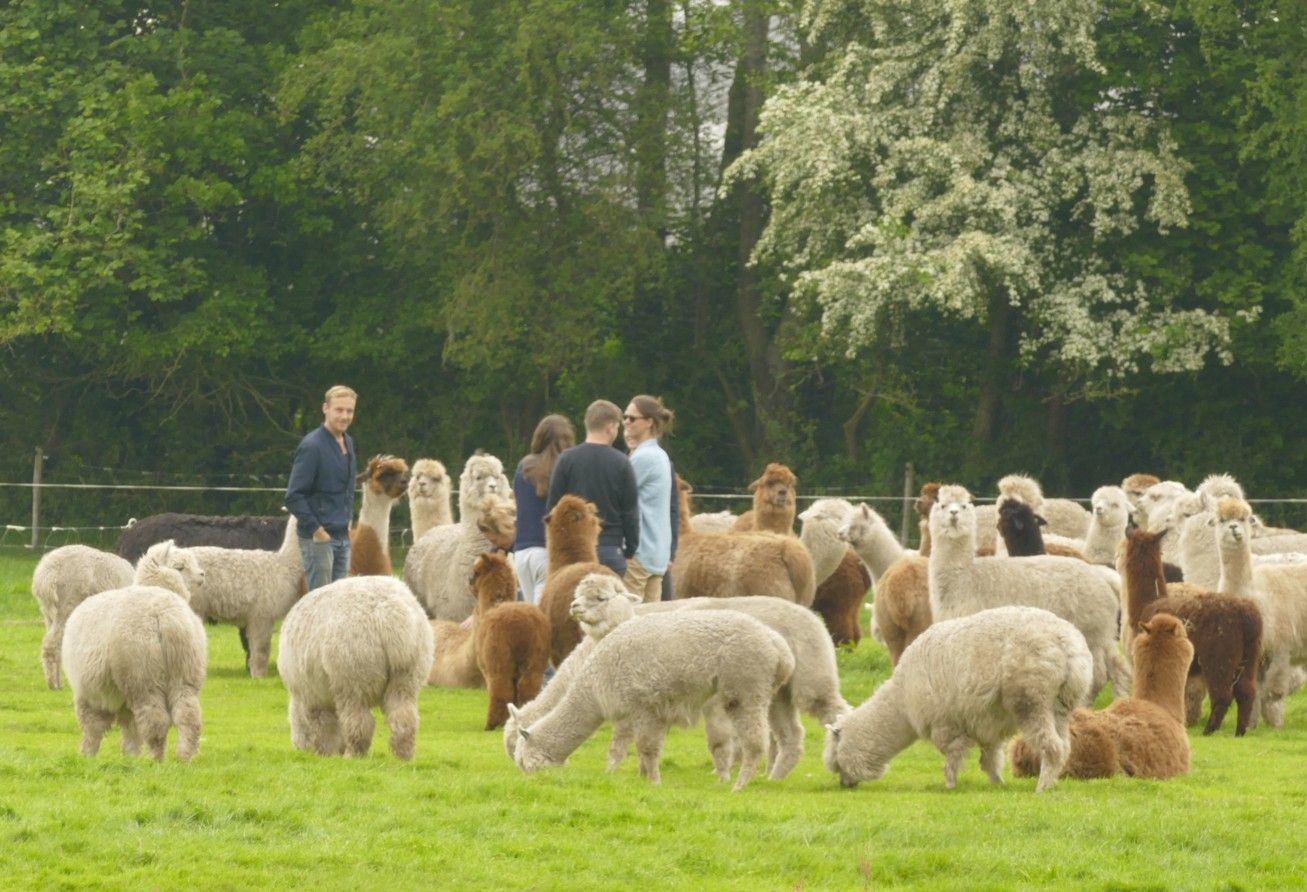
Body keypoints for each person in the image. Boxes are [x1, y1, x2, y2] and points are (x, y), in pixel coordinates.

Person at [545, 400, 639, 577]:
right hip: (610, 548)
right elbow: (630, 512)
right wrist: (630, 549)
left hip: (574, 551)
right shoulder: (622, 462)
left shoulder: (566, 460)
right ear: (610, 427)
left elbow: (552, 509)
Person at [285, 385, 358, 590]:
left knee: (340, 602)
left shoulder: (348, 442)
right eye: (339, 410)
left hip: (342, 536)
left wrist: (348, 520)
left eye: (349, 411)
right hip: (319, 539)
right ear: (325, 408)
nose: (344, 416)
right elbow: (293, 496)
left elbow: (348, 488)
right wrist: (318, 531)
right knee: (320, 604)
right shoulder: (312, 446)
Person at [513, 413, 576, 603]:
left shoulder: (523, 466)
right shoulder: (566, 469)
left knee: (532, 614)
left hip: (521, 552)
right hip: (547, 552)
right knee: (544, 617)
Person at [621, 395, 674, 602]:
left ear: (650, 422)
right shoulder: (659, 455)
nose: (626, 421)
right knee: (650, 623)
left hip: (639, 554)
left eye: (632, 418)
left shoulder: (644, 457)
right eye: (625, 417)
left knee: (626, 620)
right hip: (656, 553)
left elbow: (619, 494)